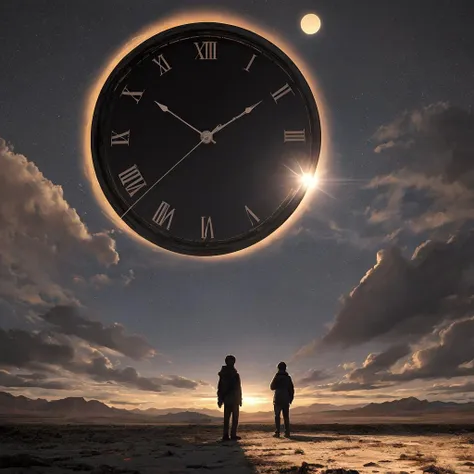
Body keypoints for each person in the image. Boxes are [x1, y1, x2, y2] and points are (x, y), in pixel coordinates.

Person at [217, 354, 242, 441]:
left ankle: (232, 434)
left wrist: (240, 399)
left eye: (232, 361)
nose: (232, 363)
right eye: (230, 361)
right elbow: (220, 387)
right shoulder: (224, 374)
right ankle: (226, 435)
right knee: (227, 418)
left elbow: (239, 387)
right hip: (228, 398)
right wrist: (220, 398)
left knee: (235, 418)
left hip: (233, 398)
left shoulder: (235, 374)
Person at [270, 361, 294, 438]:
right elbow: (291, 389)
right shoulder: (288, 378)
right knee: (286, 416)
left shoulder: (277, 377)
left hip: (277, 398)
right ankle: (287, 432)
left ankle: (277, 432)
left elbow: (272, 387)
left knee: (277, 416)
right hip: (286, 399)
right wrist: (290, 399)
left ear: (278, 368)